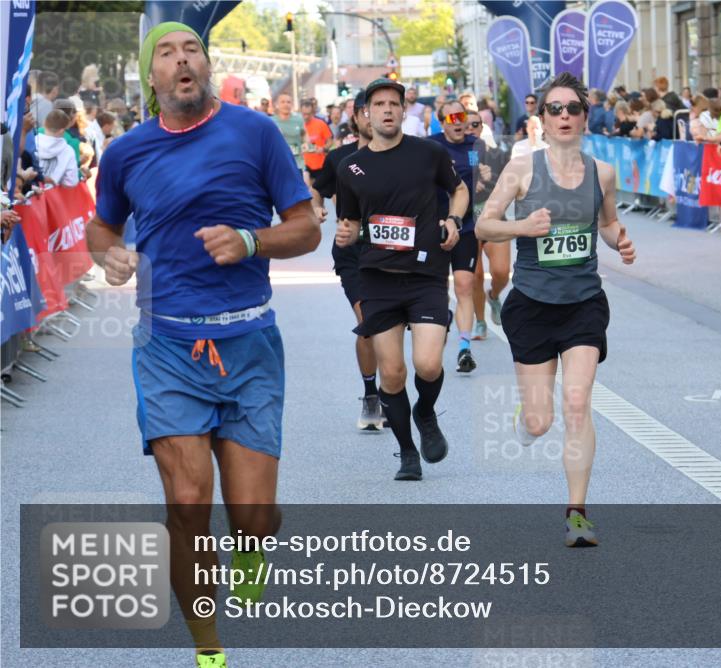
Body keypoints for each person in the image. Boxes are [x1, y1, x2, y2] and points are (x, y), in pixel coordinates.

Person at [86, 22, 321, 668]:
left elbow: (305, 228)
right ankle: (208, 647)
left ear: (207, 65)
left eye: (192, 49)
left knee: (253, 516)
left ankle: (252, 546)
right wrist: (110, 255)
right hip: (167, 346)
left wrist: (250, 241)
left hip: (248, 342)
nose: (182, 60)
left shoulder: (256, 133)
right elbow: (101, 228)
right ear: (151, 75)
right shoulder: (126, 153)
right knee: (187, 504)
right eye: (167, 53)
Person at [476, 72, 636, 547]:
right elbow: (484, 226)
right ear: (542, 120)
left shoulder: (602, 173)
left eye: (573, 108)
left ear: (585, 117)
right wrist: (522, 228)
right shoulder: (521, 169)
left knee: (578, 403)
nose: (564, 116)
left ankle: (577, 514)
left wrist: (620, 241)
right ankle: (528, 416)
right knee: (540, 421)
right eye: (555, 109)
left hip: (584, 302)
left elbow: (607, 223)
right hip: (531, 305)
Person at [334, 77, 468, 482]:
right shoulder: (350, 167)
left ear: (403, 110)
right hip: (378, 279)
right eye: (379, 104)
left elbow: (460, 190)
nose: (387, 110)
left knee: (427, 363)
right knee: (392, 373)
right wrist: (345, 234)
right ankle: (408, 453)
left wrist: (453, 219)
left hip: (426, 275)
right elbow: (350, 222)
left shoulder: (428, 153)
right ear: (366, 114)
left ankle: (425, 412)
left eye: (394, 103)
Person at [311, 91, 386, 430]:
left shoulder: (406, 156)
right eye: (367, 111)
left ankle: (391, 392)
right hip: (353, 252)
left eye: (383, 108)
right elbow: (317, 188)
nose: (375, 116)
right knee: (368, 322)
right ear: (356, 117)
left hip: (392, 251)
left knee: (388, 328)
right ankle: (371, 396)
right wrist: (316, 207)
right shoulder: (340, 158)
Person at [429, 101, 484, 373]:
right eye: (451, 118)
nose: (458, 121)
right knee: (438, 288)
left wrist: (486, 178)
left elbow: (492, 177)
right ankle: (441, 323)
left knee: (464, 284)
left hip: (467, 225)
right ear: (442, 123)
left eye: (461, 116)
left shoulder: (477, 146)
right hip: (436, 225)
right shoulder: (430, 146)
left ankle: (464, 348)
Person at [465, 109, 511, 341]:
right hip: (467, 222)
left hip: (492, 218)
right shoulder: (452, 155)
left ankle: (493, 295)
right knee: (475, 276)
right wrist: (469, 184)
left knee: (501, 272)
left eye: (475, 124)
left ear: (482, 128)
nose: (470, 129)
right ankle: (480, 322)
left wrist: (490, 181)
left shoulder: (495, 154)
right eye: (466, 125)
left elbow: (510, 183)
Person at [36, 109, 79, 187]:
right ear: (62, 131)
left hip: (29, 190)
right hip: (52, 192)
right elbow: (71, 182)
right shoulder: (68, 151)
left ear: (44, 123)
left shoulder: (33, 142)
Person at [272, 92, 305, 173]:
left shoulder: (299, 119)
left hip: (297, 163)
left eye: (288, 102)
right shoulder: (271, 121)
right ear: (277, 105)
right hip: (278, 163)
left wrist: (306, 143)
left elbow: (304, 134)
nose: (286, 104)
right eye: (282, 102)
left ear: (292, 104)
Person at [301, 99, 332, 182]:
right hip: (304, 165)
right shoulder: (298, 125)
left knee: (317, 189)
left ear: (313, 113)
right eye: (304, 114)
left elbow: (330, 141)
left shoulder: (320, 124)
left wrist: (323, 148)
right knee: (307, 187)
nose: (306, 116)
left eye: (308, 114)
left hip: (320, 165)